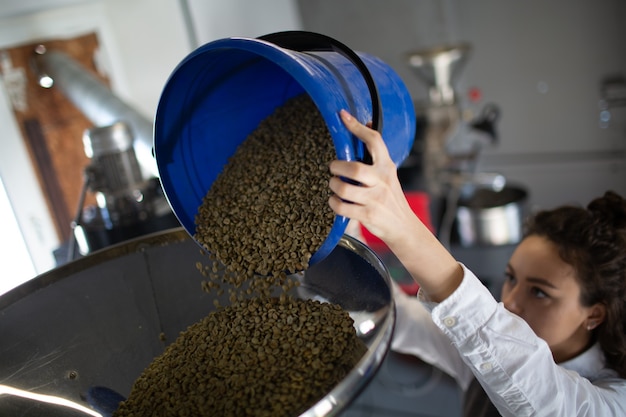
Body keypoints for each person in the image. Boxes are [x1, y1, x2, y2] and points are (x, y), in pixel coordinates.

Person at [328, 109, 626, 416]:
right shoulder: (481, 352)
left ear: (595, 314)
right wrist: (342, 222)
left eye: (539, 292)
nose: (510, 302)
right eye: (511, 278)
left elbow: (539, 391)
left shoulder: (612, 402)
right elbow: (399, 317)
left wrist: (401, 225)